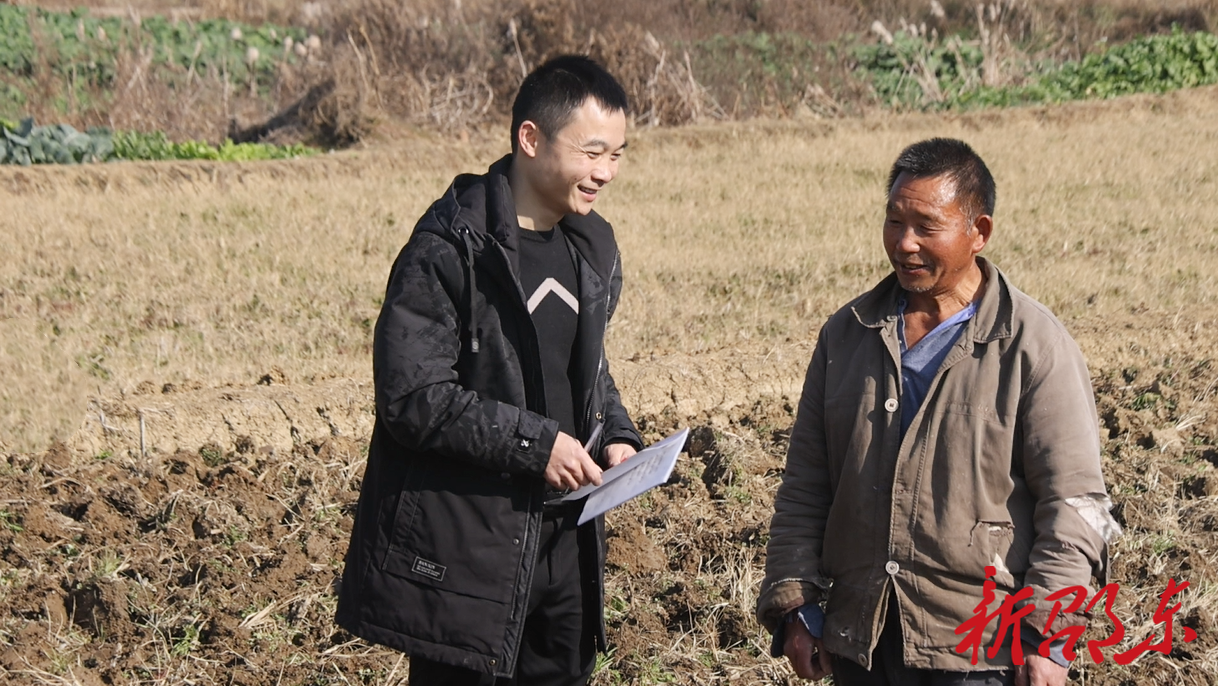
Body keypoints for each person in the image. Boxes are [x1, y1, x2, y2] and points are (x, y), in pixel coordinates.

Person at [757, 138, 1121, 686]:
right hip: (862, 640)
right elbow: (806, 486)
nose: (904, 244)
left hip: (981, 652)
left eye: (926, 227)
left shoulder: (1032, 344)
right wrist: (795, 607)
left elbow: (1073, 503)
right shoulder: (846, 335)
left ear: (980, 232)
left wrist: (1049, 637)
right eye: (894, 222)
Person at [336, 55, 643, 686]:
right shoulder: (451, 247)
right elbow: (412, 397)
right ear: (530, 139)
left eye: (617, 155)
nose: (606, 173)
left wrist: (616, 433)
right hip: (468, 556)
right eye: (593, 153)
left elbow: (586, 368)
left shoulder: (592, 247)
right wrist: (537, 447)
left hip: (566, 545)